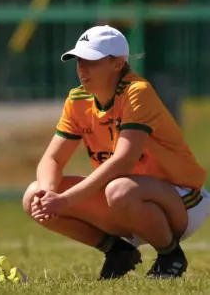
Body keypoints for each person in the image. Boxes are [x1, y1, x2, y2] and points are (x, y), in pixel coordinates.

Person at [22, 25, 209, 280]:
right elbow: (52, 159)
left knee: (119, 188)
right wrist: (47, 192)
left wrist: (64, 200)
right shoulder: (78, 100)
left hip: (181, 199)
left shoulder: (136, 92)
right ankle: (118, 251)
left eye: (91, 60)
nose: (82, 67)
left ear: (118, 63)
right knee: (32, 196)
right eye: (79, 60)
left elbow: (123, 161)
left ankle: (170, 255)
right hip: (123, 200)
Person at [99, 0, 185, 125]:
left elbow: (103, 21)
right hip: (155, 61)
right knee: (165, 128)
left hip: (118, 66)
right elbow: (180, 1)